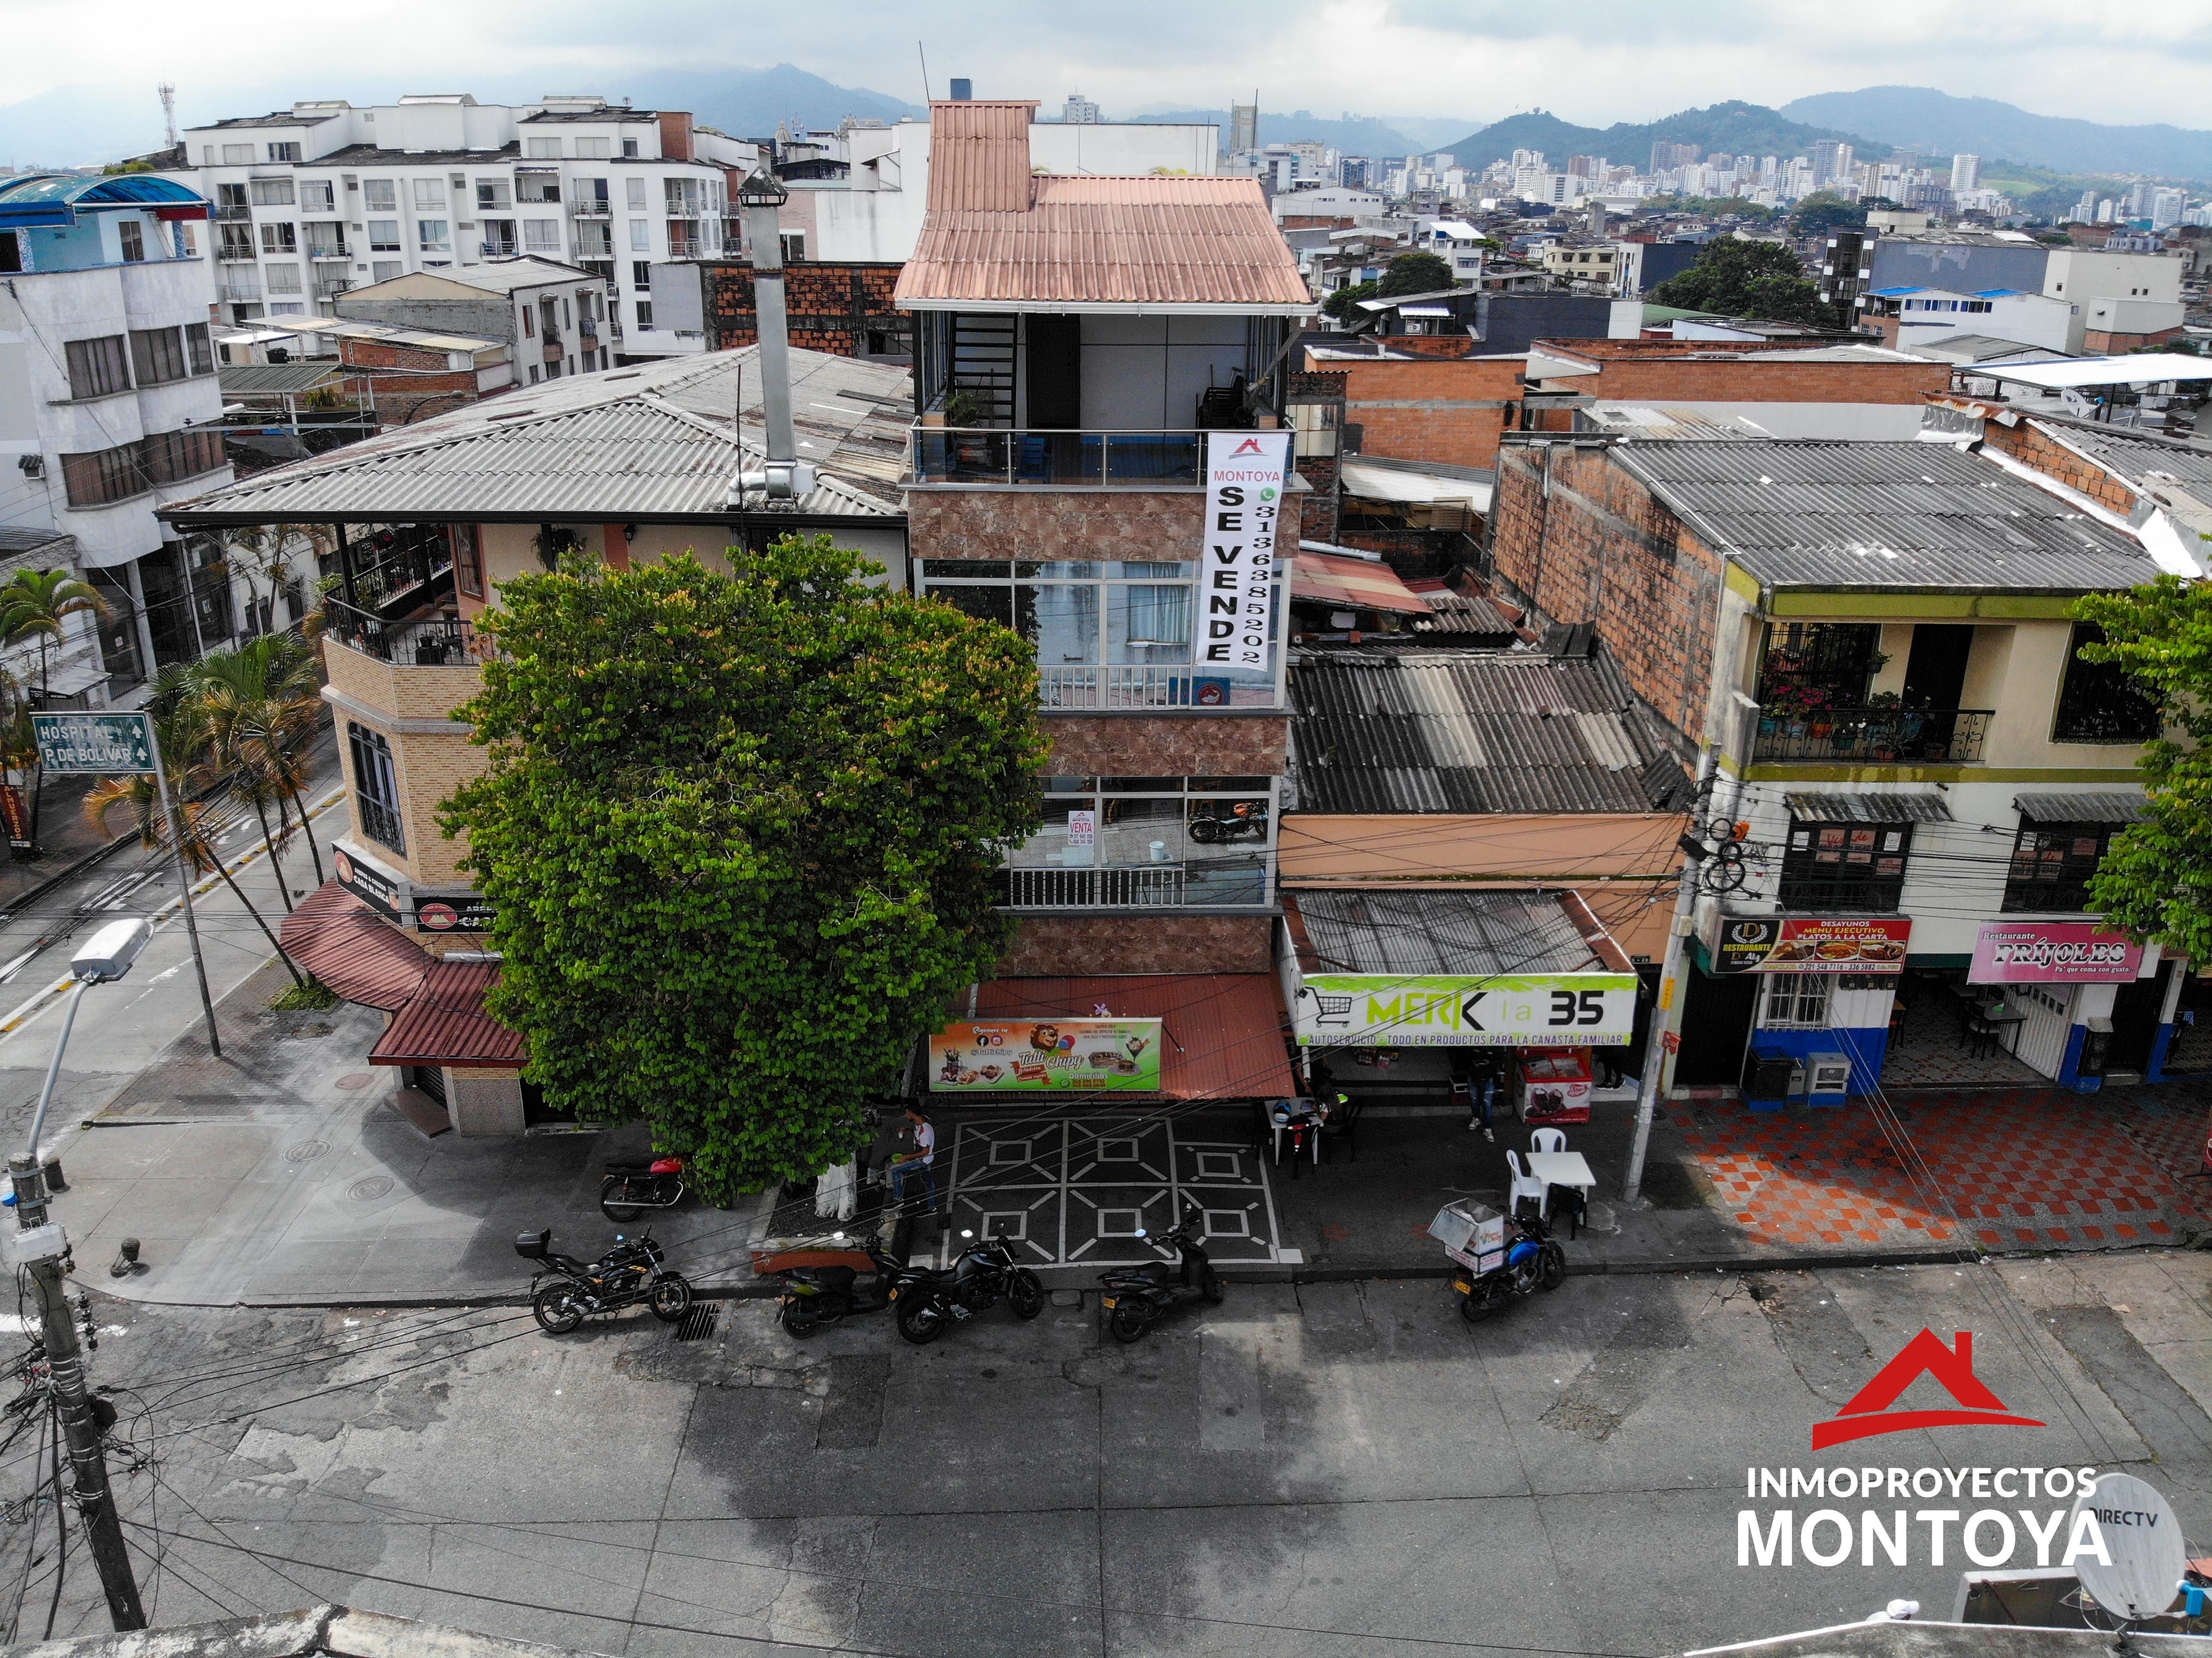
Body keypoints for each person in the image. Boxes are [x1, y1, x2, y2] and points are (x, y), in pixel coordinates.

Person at [888, 1106, 939, 1214]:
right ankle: (932, 1207)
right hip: (927, 1159)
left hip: (922, 1160)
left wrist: (906, 1158)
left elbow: (925, 1151)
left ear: (912, 1113)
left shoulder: (925, 1132)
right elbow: (917, 1134)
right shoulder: (920, 1123)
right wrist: (907, 1130)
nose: (906, 1115)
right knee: (928, 1182)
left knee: (896, 1170)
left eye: (907, 1112)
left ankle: (898, 1199)